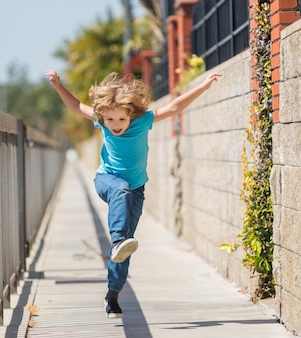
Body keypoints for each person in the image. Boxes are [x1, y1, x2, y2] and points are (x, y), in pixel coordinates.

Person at [45, 69, 222, 318]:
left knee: (126, 244)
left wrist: (203, 87)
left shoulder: (142, 121)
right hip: (107, 181)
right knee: (120, 194)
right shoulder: (100, 118)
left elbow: (173, 107)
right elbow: (76, 106)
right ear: (103, 119)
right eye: (110, 121)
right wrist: (58, 86)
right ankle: (117, 239)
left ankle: (113, 295)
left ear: (131, 115)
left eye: (121, 120)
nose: (116, 126)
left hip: (136, 189)